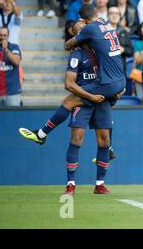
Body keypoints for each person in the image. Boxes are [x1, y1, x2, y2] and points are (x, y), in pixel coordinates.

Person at [19, 4, 126, 144]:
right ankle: (109, 149)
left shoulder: (90, 28)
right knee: (103, 117)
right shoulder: (106, 25)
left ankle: (41, 134)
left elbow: (67, 45)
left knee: (69, 101)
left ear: (84, 20)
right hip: (120, 80)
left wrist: (75, 40)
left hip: (108, 83)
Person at [62, 22, 115, 195]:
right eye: (77, 27)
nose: (82, 28)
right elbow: (68, 83)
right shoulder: (76, 54)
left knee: (105, 140)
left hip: (102, 98)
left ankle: (99, 184)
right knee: (77, 138)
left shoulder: (100, 49)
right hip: (83, 99)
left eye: (83, 25)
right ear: (74, 33)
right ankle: (71, 184)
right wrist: (88, 96)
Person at [0, 27, 22, 106]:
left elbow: (16, 61)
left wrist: (6, 50)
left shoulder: (14, 47)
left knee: (14, 118)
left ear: (8, 36)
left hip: (12, 93)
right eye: (0, 35)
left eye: (4, 35)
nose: (2, 37)